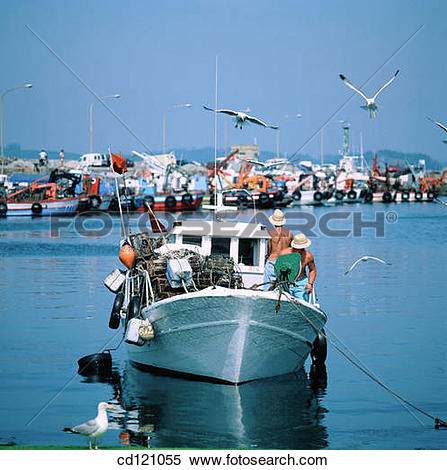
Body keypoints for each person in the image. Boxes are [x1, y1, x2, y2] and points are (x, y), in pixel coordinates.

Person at [279, 233, 316, 301]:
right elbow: (278, 270)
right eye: (296, 248)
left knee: (302, 304)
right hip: (286, 282)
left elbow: (312, 270)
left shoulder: (308, 256)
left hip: (301, 283)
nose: (299, 251)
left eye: (301, 249)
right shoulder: (284, 254)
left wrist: (310, 284)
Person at [263, 209, 293, 290]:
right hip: (284, 262)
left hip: (272, 261)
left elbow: (269, 249)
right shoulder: (289, 234)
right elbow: (291, 250)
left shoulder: (270, 233)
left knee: (268, 288)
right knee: (283, 286)